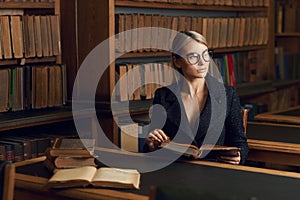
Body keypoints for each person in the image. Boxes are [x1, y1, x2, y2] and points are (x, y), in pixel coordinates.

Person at [143, 31, 248, 165]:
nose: (202, 62)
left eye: (206, 55)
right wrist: (151, 144)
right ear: (177, 61)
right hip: (176, 170)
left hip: (215, 171)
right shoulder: (163, 96)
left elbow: (240, 142)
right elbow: (151, 147)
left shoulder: (227, 94)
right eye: (193, 56)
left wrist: (239, 157)